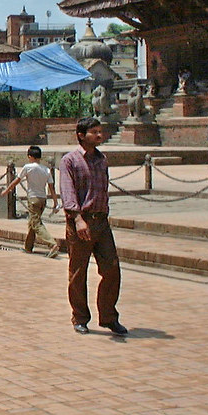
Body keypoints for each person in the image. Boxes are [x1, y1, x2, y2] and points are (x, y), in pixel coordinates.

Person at [59, 117, 127, 336]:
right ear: (81, 135)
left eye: (100, 131)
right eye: (94, 132)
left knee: (111, 269)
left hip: (101, 222)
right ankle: (79, 317)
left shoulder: (101, 160)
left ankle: (108, 317)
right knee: (78, 272)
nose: (99, 135)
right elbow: (68, 192)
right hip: (80, 221)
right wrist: (78, 219)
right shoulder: (70, 161)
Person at [0, 146, 60, 258]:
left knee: (36, 224)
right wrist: (55, 202)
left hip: (33, 199)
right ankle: (28, 247)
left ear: (30, 156)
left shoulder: (28, 167)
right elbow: (52, 188)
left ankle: (52, 244)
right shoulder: (46, 170)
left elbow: (16, 181)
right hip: (43, 199)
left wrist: (7, 190)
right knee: (33, 222)